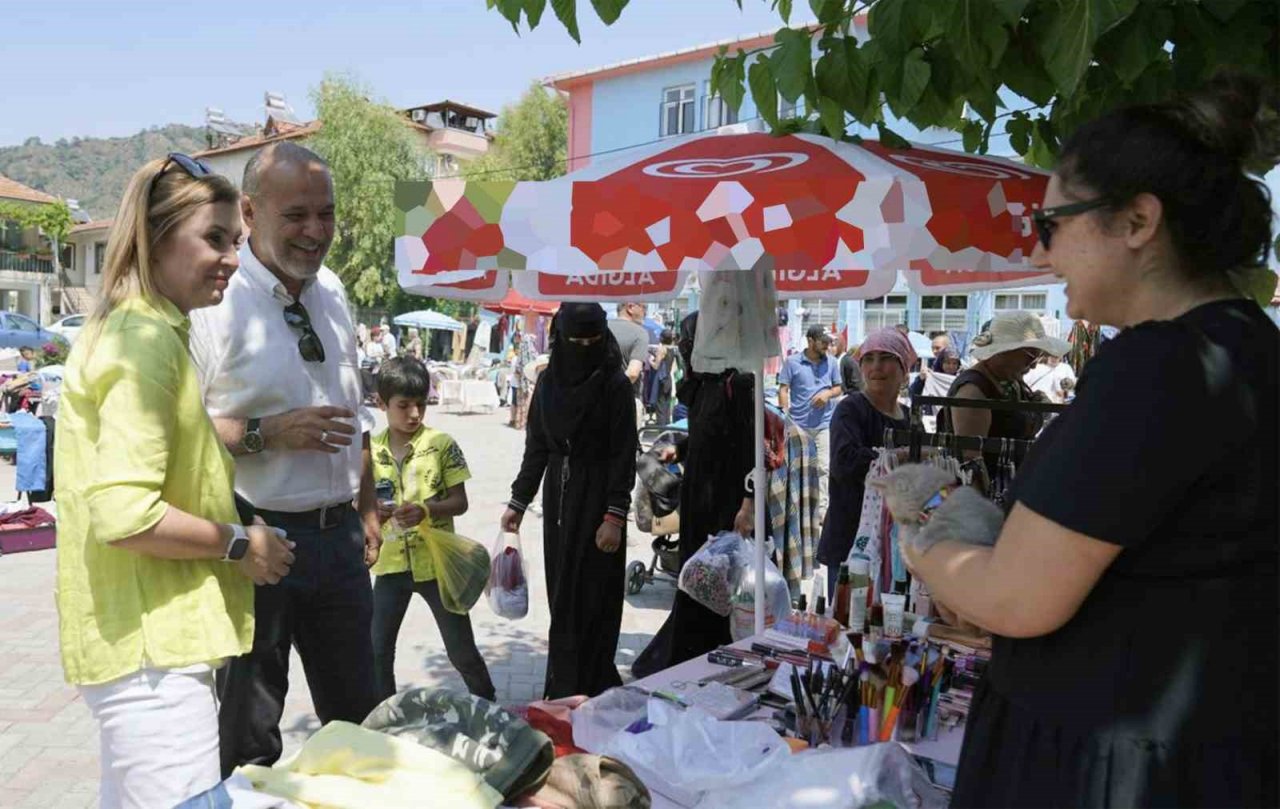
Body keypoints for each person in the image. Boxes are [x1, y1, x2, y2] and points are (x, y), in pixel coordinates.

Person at [903, 74, 1278, 807]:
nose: (1043, 256)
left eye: (1052, 226)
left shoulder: (1162, 365)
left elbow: (1014, 598)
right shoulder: (1249, 349)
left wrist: (926, 541)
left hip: (1112, 765)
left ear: (1138, 221)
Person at [54, 155, 294, 808]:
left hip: (146, 652)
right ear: (158, 238)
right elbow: (126, 513)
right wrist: (240, 543)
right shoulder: (143, 341)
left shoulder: (151, 330)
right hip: (153, 661)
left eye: (237, 242)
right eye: (214, 238)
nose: (233, 259)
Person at [189, 142, 382, 776]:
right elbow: (180, 434)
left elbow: (356, 414)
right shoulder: (214, 304)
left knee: (363, 725)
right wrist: (267, 432)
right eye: (296, 215)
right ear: (249, 211)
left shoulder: (333, 291)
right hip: (258, 543)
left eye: (326, 215)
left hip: (340, 544)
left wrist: (368, 504)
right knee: (250, 738)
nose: (315, 232)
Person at [501, 303, 636, 699]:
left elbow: (623, 453)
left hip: (599, 501)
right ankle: (562, 685)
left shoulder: (614, 385)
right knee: (563, 595)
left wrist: (614, 515)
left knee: (594, 596)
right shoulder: (548, 384)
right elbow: (538, 448)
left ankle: (594, 687)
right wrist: (518, 501)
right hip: (559, 504)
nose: (583, 347)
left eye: (592, 340)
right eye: (575, 340)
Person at [632, 312, 755, 678]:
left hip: (729, 500)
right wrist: (681, 449)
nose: (686, 348)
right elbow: (708, 434)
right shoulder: (703, 385)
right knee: (695, 573)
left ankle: (711, 655)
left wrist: (748, 503)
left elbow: (751, 447)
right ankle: (688, 656)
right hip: (699, 494)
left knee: (718, 578)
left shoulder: (740, 384)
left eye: (691, 341)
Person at [369, 357, 495, 701]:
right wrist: (371, 513)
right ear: (381, 404)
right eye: (403, 405)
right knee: (377, 651)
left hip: (436, 565)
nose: (414, 414)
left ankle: (490, 710)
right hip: (390, 565)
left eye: (421, 405)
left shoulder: (442, 445)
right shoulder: (369, 450)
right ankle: (385, 722)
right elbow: (358, 505)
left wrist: (427, 510)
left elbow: (461, 502)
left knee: (461, 652)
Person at [816, 328, 914, 599]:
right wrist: (898, 457)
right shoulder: (851, 408)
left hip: (892, 542)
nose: (876, 367)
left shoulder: (908, 416)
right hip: (851, 538)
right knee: (847, 621)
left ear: (903, 368)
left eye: (886, 358)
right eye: (868, 359)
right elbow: (843, 463)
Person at [939, 310, 1069, 478]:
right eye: (1031, 357)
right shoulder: (973, 391)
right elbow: (971, 463)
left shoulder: (1011, 380)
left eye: (1037, 358)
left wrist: (1037, 408)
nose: (1034, 366)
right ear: (1004, 351)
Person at [778, 324, 843, 526]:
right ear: (810, 341)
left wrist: (828, 394)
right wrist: (785, 415)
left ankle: (822, 511)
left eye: (829, 342)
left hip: (823, 424)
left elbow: (839, 388)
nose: (827, 345)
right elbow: (783, 389)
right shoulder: (792, 362)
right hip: (798, 425)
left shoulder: (832, 362)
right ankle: (796, 509)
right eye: (823, 341)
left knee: (824, 468)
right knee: (796, 469)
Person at [609, 301, 650, 421]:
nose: (645, 313)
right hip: (625, 400)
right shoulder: (640, 333)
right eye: (644, 307)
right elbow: (633, 373)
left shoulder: (601, 328)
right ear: (630, 307)